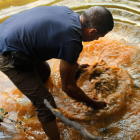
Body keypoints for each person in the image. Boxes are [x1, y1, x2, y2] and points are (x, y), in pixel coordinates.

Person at [0, 5, 114, 140]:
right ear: (92, 31)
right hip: (6, 53)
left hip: (10, 35)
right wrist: (94, 103)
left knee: (45, 72)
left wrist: (74, 65)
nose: (97, 40)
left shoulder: (67, 13)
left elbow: (55, 39)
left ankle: (34, 98)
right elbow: (68, 88)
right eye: (100, 36)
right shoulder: (72, 41)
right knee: (46, 104)